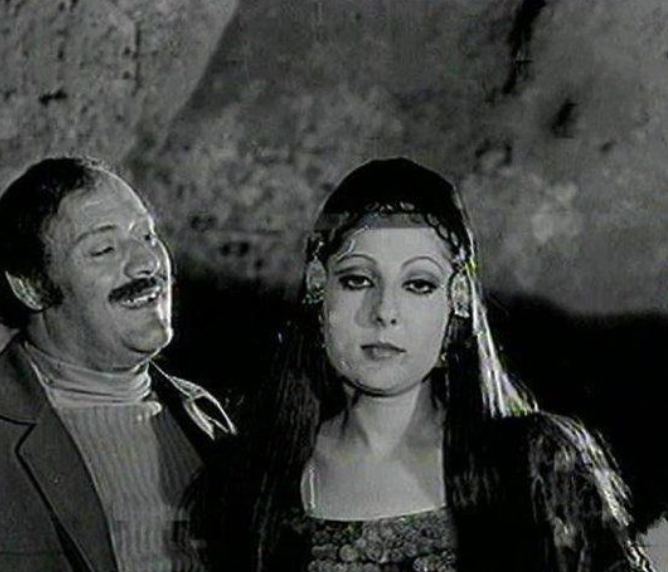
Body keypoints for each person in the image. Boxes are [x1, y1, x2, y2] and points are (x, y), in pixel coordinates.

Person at [200, 157, 652, 572]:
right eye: (357, 280)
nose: (384, 311)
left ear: (457, 301)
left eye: (418, 284)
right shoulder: (251, 486)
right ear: (319, 289)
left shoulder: (536, 467)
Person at [0, 157, 235, 572]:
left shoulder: (206, 420)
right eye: (104, 249)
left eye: (148, 235)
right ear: (30, 287)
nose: (147, 263)